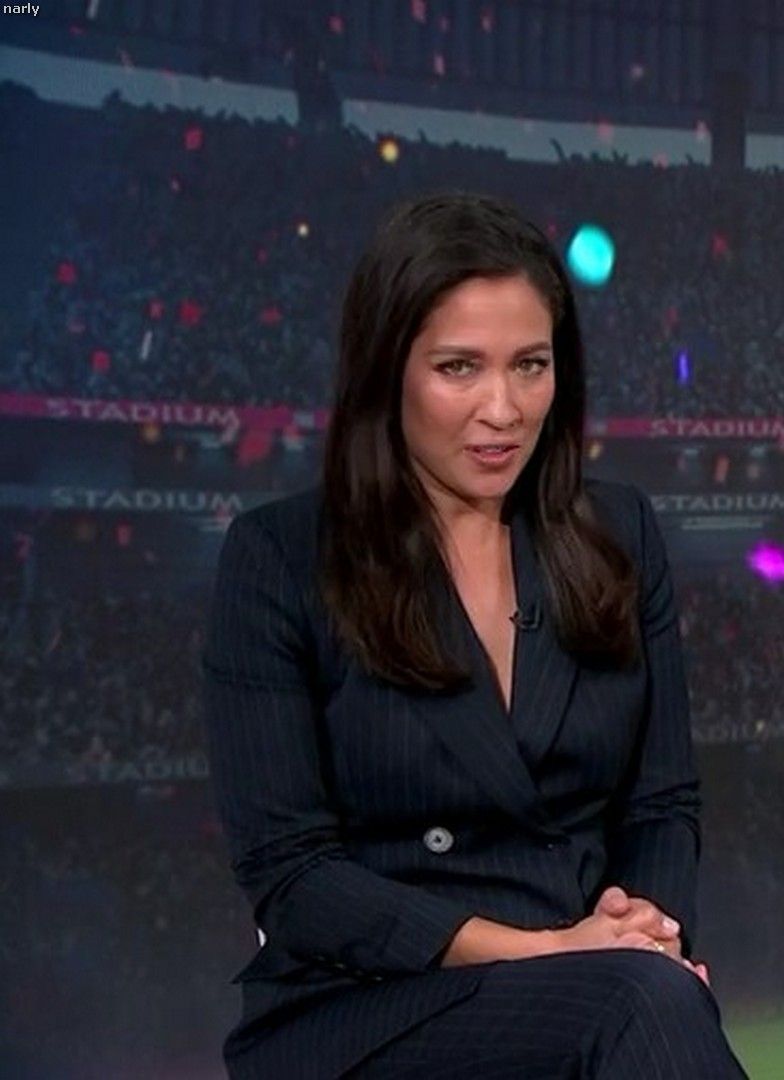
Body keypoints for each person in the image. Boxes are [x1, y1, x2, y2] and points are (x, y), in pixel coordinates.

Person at [201, 192, 746, 1078]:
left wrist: (644, 932)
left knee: (648, 1000)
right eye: (459, 368)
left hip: (595, 973)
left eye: (530, 365)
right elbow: (293, 876)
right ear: (387, 371)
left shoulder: (620, 535)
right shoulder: (280, 559)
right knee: (641, 1004)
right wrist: (556, 953)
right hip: (366, 1006)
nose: (504, 408)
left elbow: (659, 805)